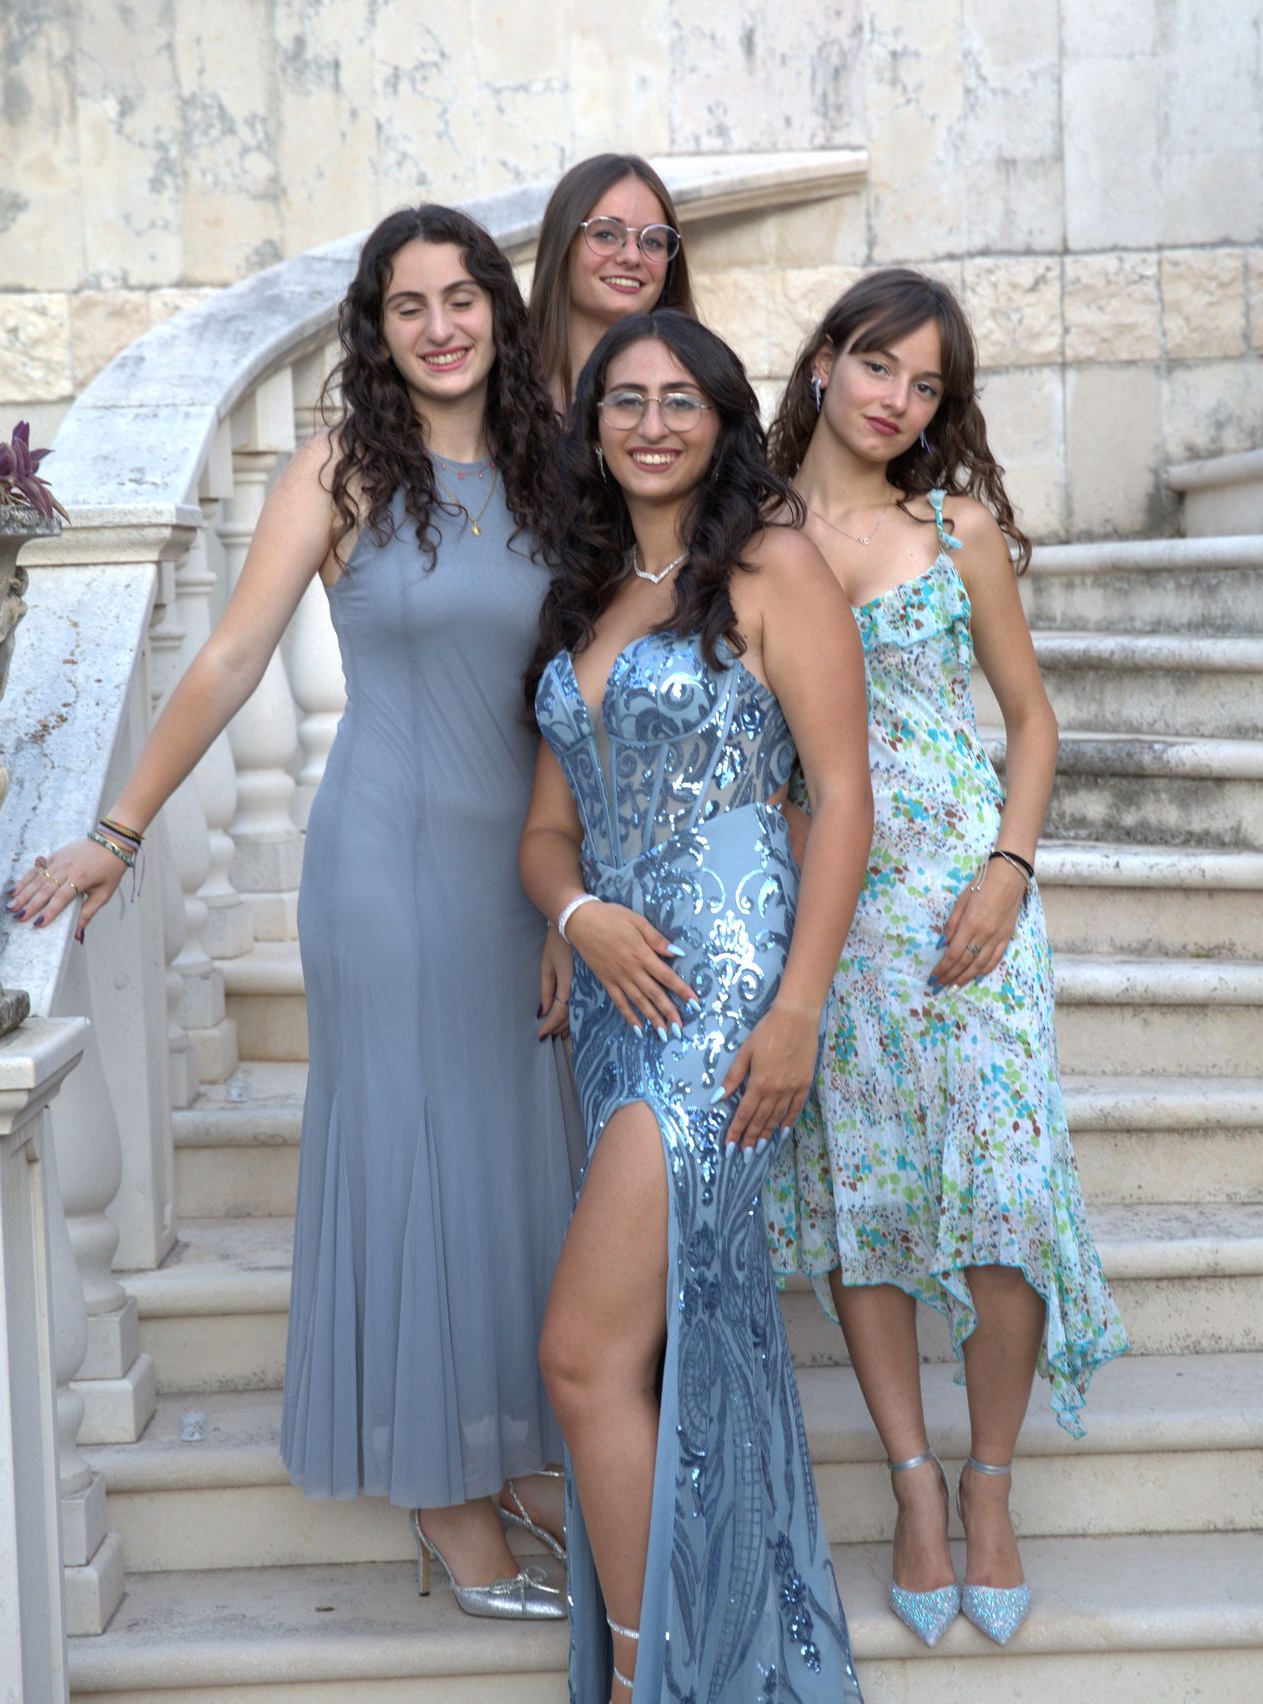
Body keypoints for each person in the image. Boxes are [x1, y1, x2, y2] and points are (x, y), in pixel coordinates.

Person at [6, 204, 578, 1621]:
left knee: (514, 1167)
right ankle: (446, 1504)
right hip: (388, 865)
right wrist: (118, 832)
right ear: (372, 330)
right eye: (407, 305)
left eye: (462, 298)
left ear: (499, 311)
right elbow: (229, 656)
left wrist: (583, 896)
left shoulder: (553, 464)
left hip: (526, 873)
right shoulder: (339, 470)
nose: (440, 327)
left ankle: (503, 1454)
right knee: (419, 1162)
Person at [762, 269, 1130, 1649]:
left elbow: (1031, 721)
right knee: (869, 1195)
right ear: (823, 364)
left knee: (1004, 1192)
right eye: (878, 366)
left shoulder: (955, 528)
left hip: (968, 910)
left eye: (926, 386)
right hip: (832, 914)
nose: (897, 400)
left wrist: (1010, 868)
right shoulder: (749, 531)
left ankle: (989, 1482)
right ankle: (913, 1484)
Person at [520, 308, 873, 1703]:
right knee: (661, 1342)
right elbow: (547, 832)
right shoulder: (587, 590)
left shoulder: (774, 565)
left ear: (724, 421)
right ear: (593, 424)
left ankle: (638, 1677)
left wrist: (798, 1010)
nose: (652, 422)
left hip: (725, 989)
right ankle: (696, 1654)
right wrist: (576, 916)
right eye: (625, 398)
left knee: (582, 1353)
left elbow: (841, 797)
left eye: (681, 399)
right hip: (616, 990)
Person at [527, 153, 697, 407]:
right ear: (563, 243)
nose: (632, 257)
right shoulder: (497, 383)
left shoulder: (702, 396)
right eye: (606, 234)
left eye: (653, 241)